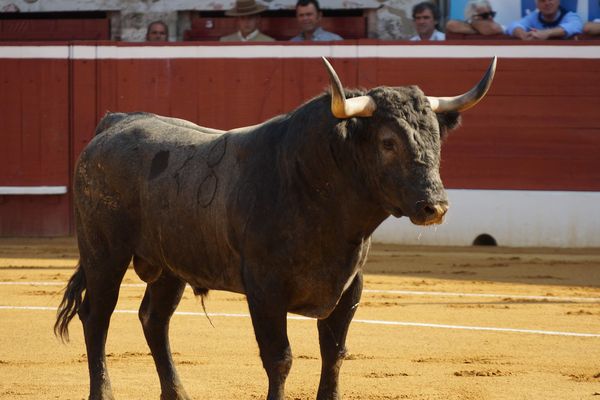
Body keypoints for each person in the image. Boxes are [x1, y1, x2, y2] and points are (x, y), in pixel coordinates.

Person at [507, 0, 583, 40]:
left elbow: (576, 26)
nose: (547, 3)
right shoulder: (533, 17)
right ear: (537, 4)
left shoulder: (569, 16)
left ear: (558, 1)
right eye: (542, 0)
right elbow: (513, 25)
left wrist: (547, 33)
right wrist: (523, 35)